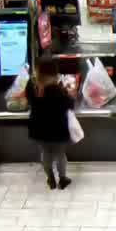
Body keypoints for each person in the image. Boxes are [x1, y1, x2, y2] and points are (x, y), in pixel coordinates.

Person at [26, 57, 74, 190]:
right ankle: (62, 179)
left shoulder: (32, 85)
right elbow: (70, 104)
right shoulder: (57, 90)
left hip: (39, 129)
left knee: (45, 152)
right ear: (54, 73)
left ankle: (50, 178)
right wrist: (68, 92)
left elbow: (29, 99)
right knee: (60, 154)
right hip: (57, 129)